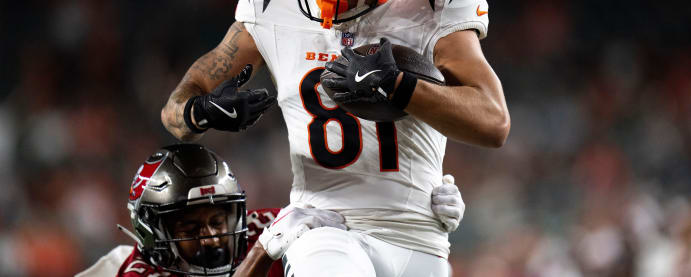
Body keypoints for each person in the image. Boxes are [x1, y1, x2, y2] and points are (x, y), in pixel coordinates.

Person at [161, 0, 509, 275]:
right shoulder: (273, 4)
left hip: (419, 234)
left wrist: (396, 85)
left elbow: (493, 123)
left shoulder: (432, 6)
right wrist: (200, 112)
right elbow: (176, 113)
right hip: (323, 225)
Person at [76, 144, 465, 276]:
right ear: (151, 234)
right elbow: (271, 242)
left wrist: (422, 212)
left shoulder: (260, 227)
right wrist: (262, 253)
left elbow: (352, 219)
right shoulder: (137, 270)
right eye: (191, 227)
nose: (212, 236)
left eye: (217, 219)